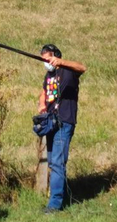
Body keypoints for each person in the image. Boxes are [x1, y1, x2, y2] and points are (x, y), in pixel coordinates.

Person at [37, 44, 87, 214]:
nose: (46, 62)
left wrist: (61, 62)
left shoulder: (68, 71)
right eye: (43, 59)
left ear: (56, 56)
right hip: (50, 122)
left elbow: (82, 67)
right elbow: (44, 92)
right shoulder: (48, 75)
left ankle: (55, 204)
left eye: (48, 58)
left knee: (58, 163)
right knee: (52, 161)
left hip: (64, 121)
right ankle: (57, 195)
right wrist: (42, 104)